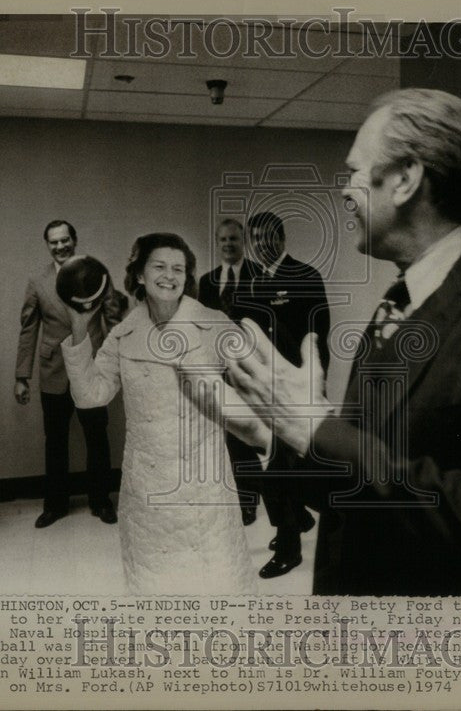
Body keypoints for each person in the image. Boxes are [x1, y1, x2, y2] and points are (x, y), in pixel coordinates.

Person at [227, 88, 461, 596]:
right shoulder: (397, 302)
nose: (344, 191)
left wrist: (316, 426)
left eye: (355, 173)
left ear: (405, 179)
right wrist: (276, 435)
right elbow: (362, 476)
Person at [60, 232, 267, 594]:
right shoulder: (125, 334)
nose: (170, 276)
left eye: (179, 268)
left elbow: (259, 386)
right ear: (139, 275)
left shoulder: (213, 324)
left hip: (204, 487)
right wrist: (80, 324)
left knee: (215, 586)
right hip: (148, 488)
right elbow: (91, 396)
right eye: (159, 266)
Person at [15, 219, 123, 528]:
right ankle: (55, 505)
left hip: (91, 368)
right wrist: (22, 375)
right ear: (47, 245)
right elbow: (28, 329)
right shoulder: (37, 280)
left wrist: (119, 365)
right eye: (54, 242)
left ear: (74, 241)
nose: (60, 246)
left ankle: (101, 501)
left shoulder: (97, 272)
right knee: (55, 441)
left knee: (97, 438)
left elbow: (113, 321)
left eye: (65, 240)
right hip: (54, 372)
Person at [243, 211, 330, 579]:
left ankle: (289, 543)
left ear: (281, 239)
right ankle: (298, 518)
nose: (261, 246)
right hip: (262, 386)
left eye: (267, 238)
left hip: (294, 389)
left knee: (282, 467)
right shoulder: (250, 280)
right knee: (270, 461)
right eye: (255, 240)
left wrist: (311, 389)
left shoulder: (305, 276)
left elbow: (318, 335)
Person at [197, 218, 263, 526]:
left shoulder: (259, 275)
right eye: (222, 239)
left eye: (233, 239)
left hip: (251, 369)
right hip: (218, 369)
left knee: (251, 437)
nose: (228, 244)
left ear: (243, 241)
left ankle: (254, 502)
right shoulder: (208, 282)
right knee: (227, 437)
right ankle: (237, 499)